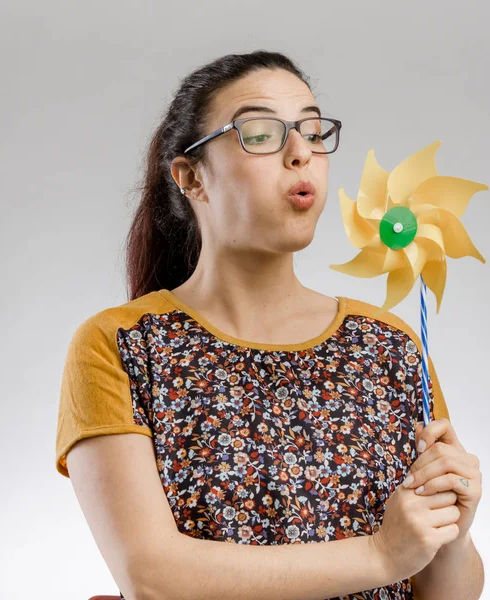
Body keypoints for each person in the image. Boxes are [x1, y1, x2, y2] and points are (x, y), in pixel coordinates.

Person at [55, 50, 467, 600]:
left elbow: (448, 592)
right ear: (191, 177)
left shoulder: (390, 346)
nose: (301, 153)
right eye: (261, 133)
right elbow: (153, 575)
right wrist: (380, 554)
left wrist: (452, 532)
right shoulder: (122, 345)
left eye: (314, 131)